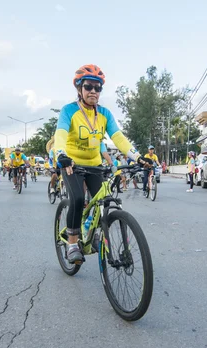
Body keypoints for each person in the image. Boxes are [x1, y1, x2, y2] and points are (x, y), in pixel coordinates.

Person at [54, 64, 149, 264]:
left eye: (98, 88)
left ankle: (94, 234)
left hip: (95, 165)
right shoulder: (69, 111)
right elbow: (60, 135)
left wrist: (138, 157)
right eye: (89, 87)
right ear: (79, 88)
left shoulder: (104, 113)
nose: (94, 92)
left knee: (104, 200)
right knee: (78, 199)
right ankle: (72, 243)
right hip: (72, 164)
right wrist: (61, 155)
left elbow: (119, 139)